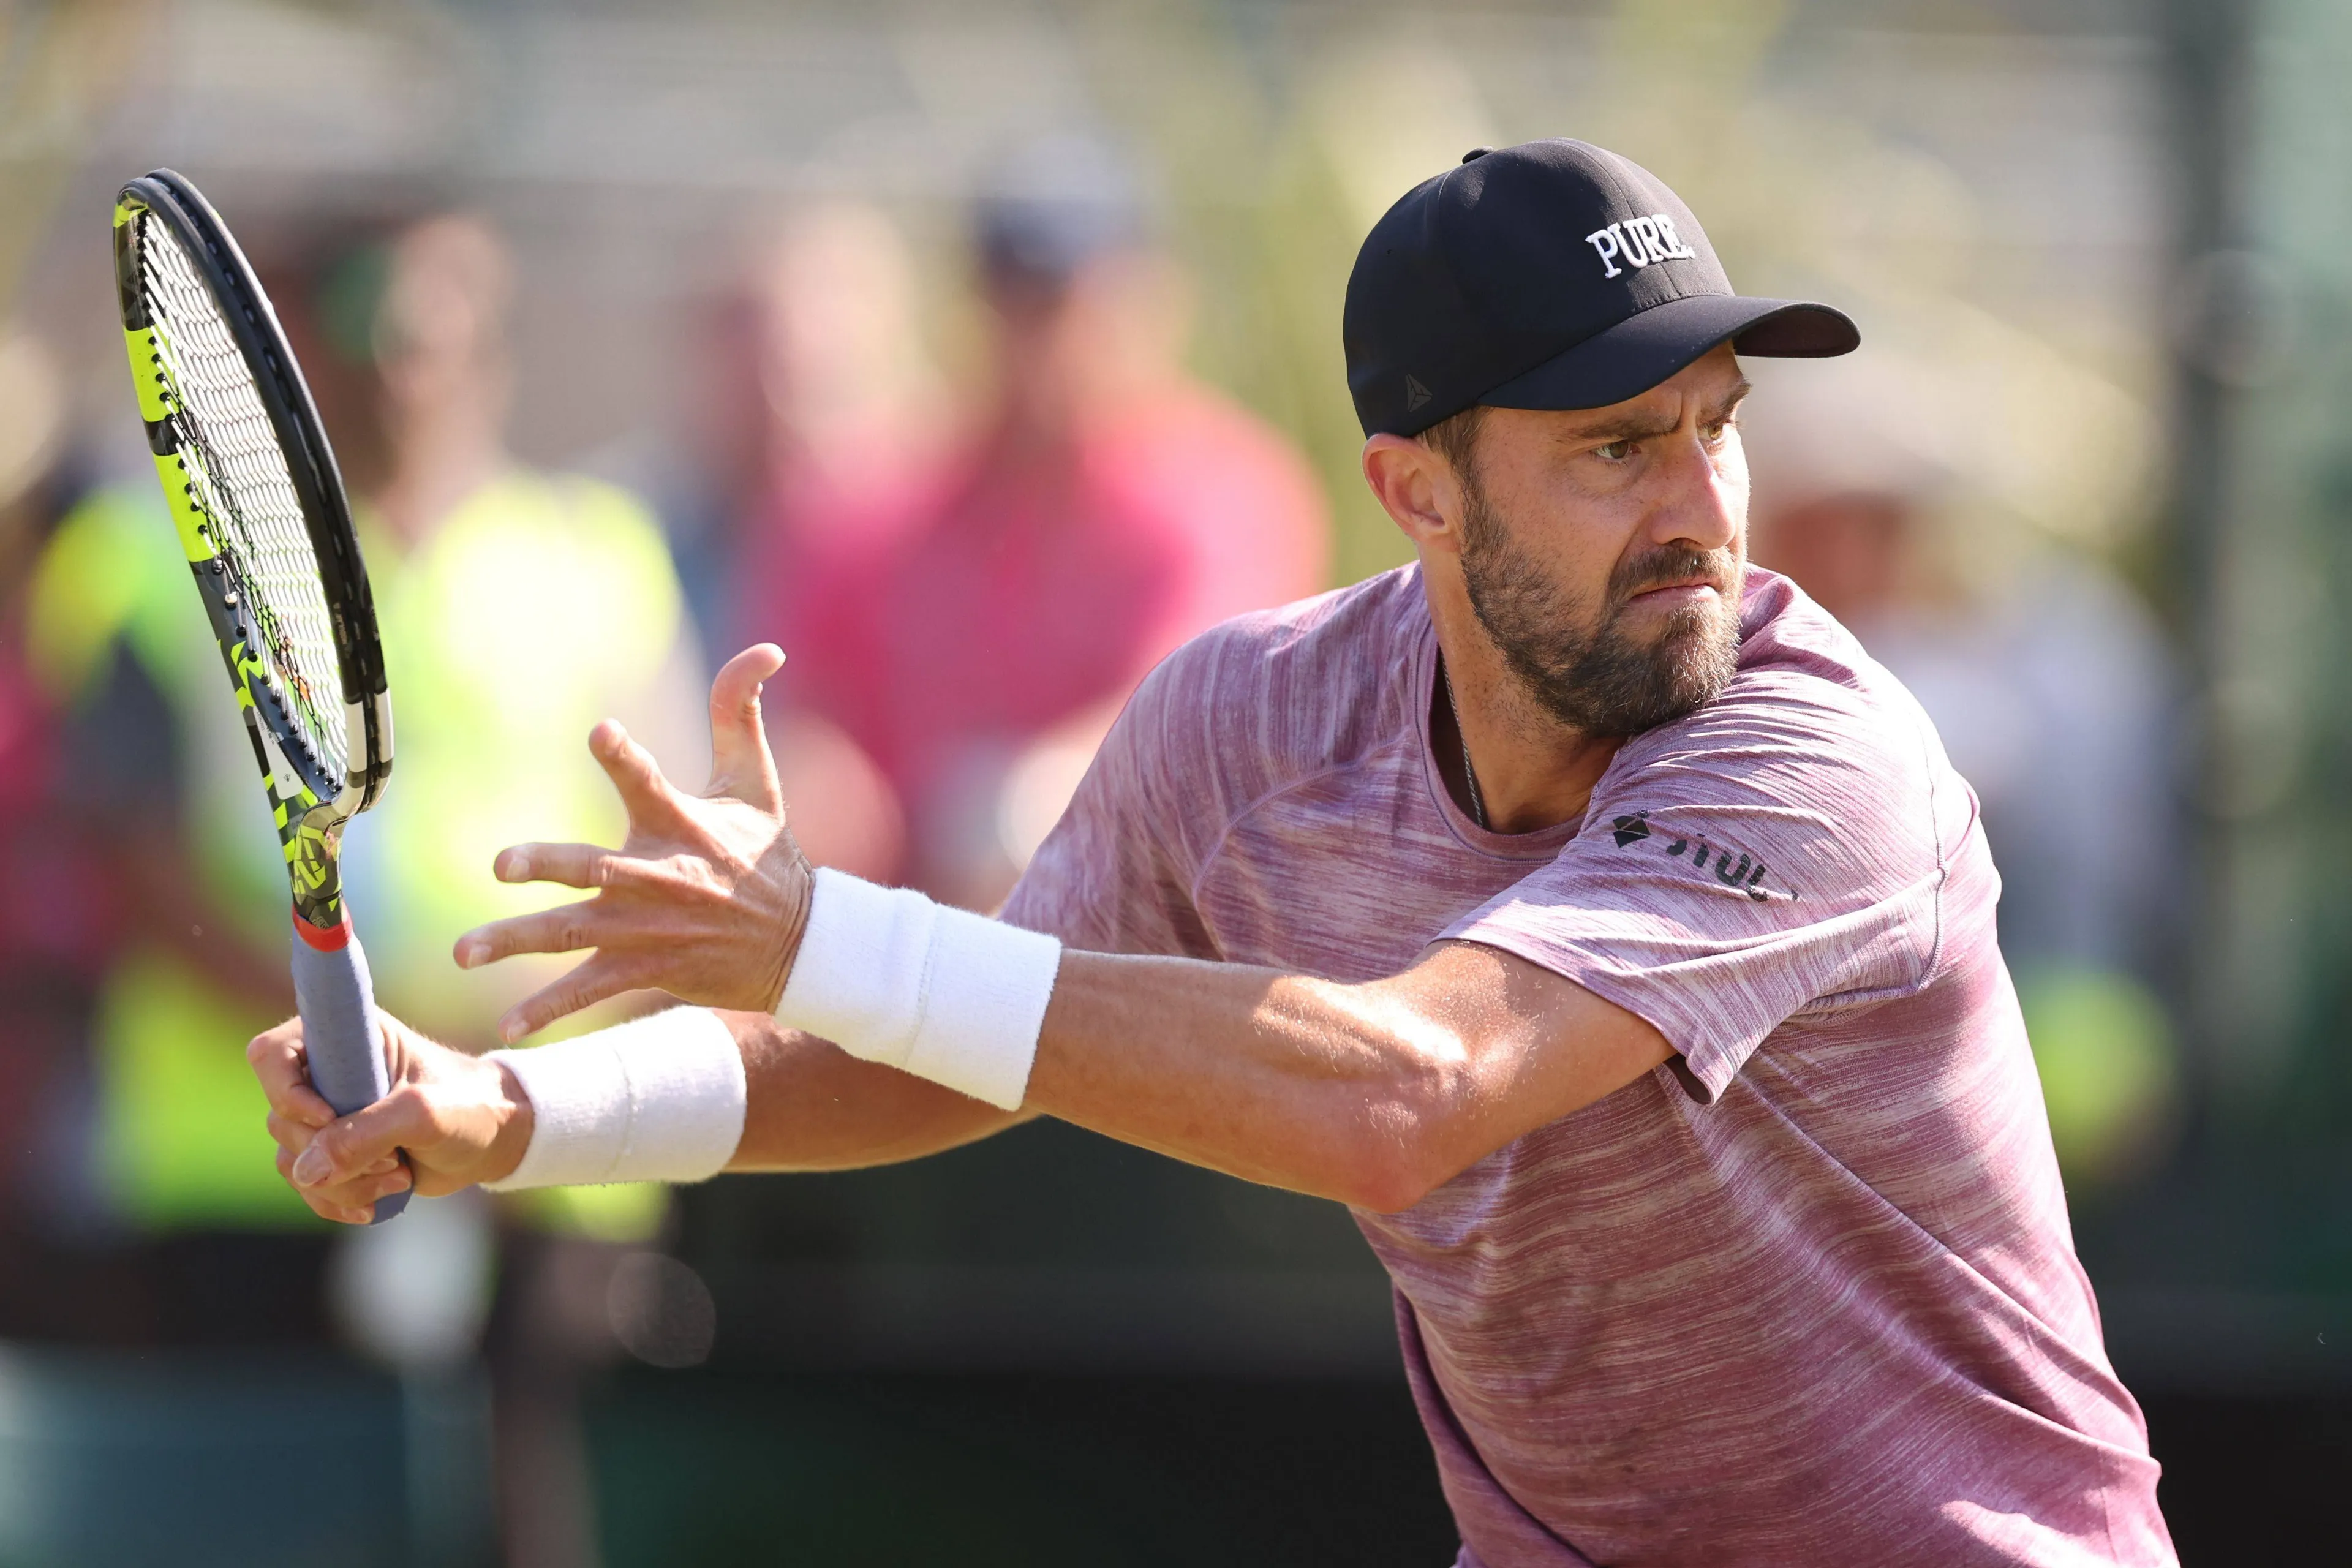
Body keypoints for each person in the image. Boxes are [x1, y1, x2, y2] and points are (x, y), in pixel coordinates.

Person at [256, 141, 2176, 1567]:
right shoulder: (1247, 727)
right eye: (1612, 449)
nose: (1698, 508)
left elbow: (1408, 1092)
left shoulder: (1814, 751)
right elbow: (936, 1046)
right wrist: (514, 1106)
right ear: (1412, 487)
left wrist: (822, 933)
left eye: (1712, 429)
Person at [781, 134, 1330, 908]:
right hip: (890, 940)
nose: (1045, 345)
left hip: (1132, 937)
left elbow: (1183, 721)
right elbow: (817, 726)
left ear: (1152, 303)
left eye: (1068, 307)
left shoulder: (1224, 492)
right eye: (1017, 306)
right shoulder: (888, 500)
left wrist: (1011, 809)